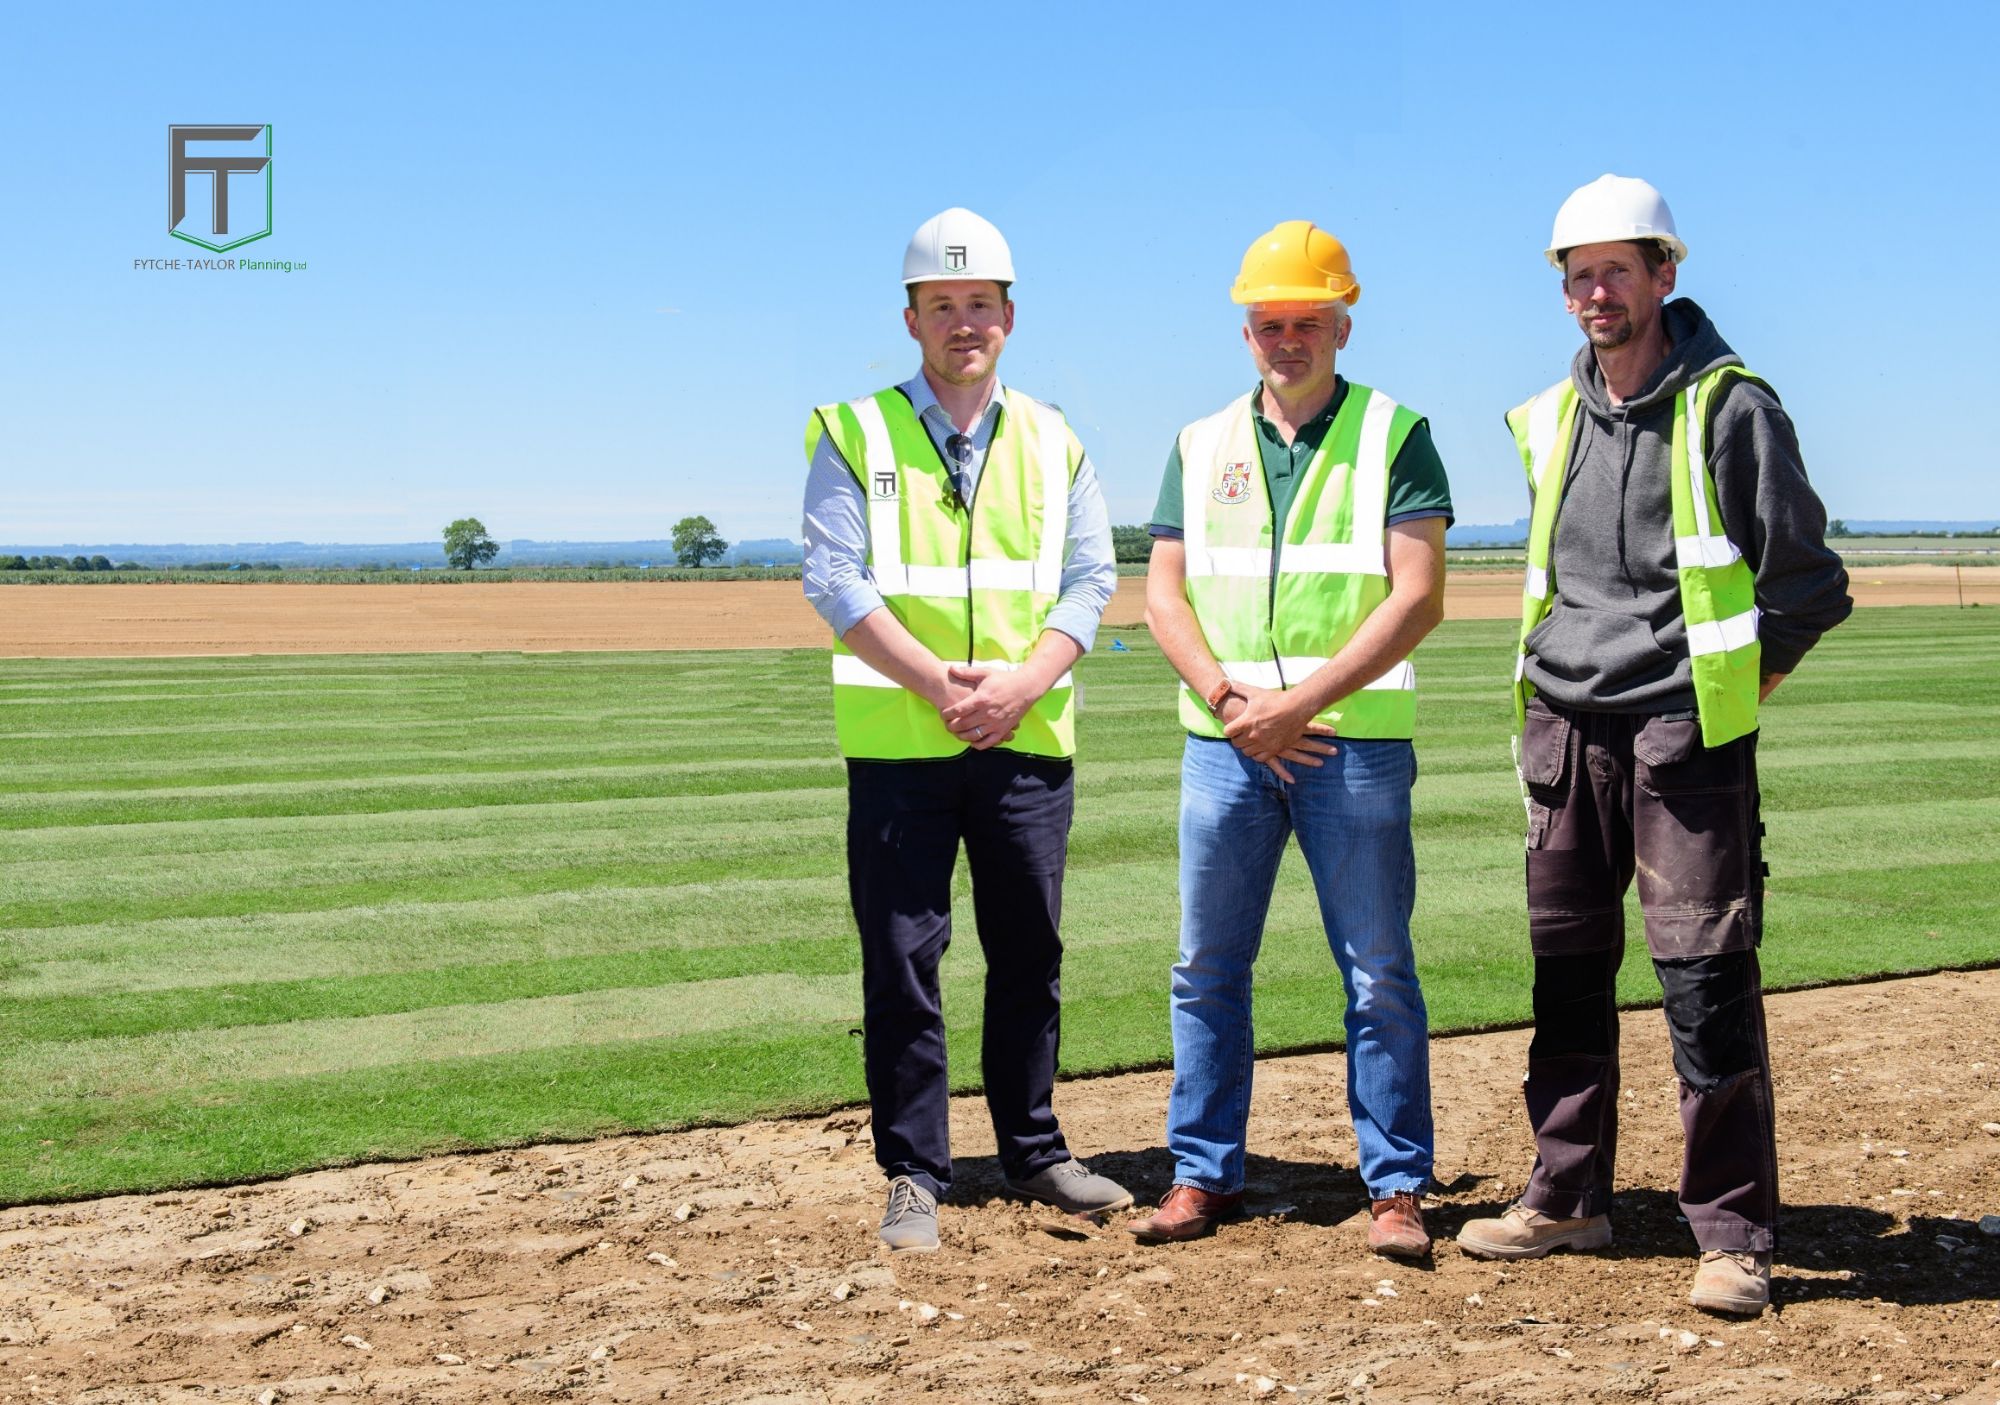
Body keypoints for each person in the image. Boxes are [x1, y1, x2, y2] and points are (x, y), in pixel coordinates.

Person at [1455, 176, 1852, 1316]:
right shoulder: (1548, 415)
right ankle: (1567, 1197)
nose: (1593, 292)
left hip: (1682, 739)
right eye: (1575, 275)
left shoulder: (1729, 407)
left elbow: (1806, 586)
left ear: (1663, 275)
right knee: (1565, 980)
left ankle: (1731, 1236)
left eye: (1613, 271)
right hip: (1561, 731)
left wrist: (1729, 693)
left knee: (1704, 985)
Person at [801, 207, 1130, 1253]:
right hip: (902, 745)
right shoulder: (850, 431)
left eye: (978, 304)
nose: (961, 323)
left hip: (1025, 743)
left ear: (1008, 316)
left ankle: (1032, 1149)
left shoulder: (1053, 436)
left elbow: (1090, 578)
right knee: (902, 960)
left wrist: (1018, 688)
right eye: (940, 305)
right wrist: (943, 685)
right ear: (909, 319)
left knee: (1028, 950)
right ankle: (914, 1170)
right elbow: (834, 578)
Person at [1131, 221, 1451, 1258]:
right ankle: (1199, 1175)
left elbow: (1417, 597)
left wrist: (1298, 703)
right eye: (1268, 323)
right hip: (1222, 745)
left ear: (1341, 324)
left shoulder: (1395, 433)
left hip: (1346, 745)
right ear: (1244, 331)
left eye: (1305, 321)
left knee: (1373, 970)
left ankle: (1395, 1188)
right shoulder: (1197, 442)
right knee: (1204, 967)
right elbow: (1162, 592)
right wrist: (1231, 700)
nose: (1286, 339)